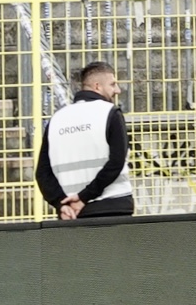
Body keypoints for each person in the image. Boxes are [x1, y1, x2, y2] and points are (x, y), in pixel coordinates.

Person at [34, 62, 131, 222]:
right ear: (97, 86)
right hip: (114, 205)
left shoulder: (57, 119)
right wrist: (83, 198)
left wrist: (61, 203)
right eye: (113, 84)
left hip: (71, 214)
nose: (117, 90)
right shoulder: (110, 113)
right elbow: (116, 163)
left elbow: (42, 173)